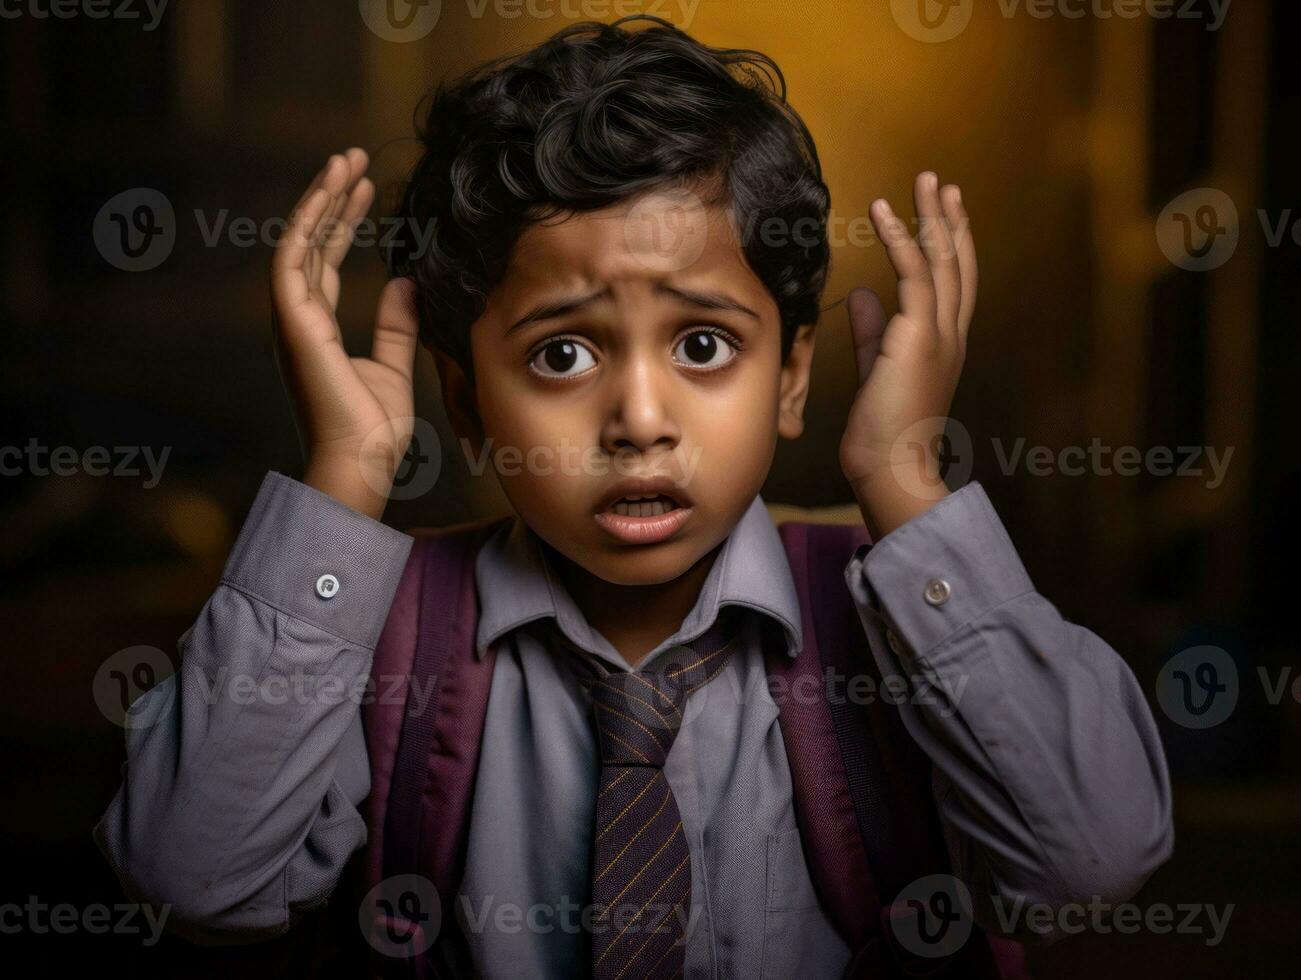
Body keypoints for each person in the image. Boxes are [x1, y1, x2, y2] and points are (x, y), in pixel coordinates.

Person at [93, 16, 1173, 978]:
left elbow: (1088, 859)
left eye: (703, 344)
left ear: (790, 376)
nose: (639, 418)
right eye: (561, 353)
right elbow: (196, 880)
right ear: (464, 404)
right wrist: (343, 480)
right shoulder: (375, 632)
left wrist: (904, 483)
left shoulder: (893, 614)